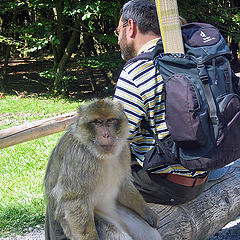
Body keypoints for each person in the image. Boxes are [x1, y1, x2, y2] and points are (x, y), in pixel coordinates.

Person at [113, 0, 209, 205]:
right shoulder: (193, 58)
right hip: (203, 173)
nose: (118, 39)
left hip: (166, 185)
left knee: (64, 182)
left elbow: (112, 142)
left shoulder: (135, 71)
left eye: (118, 31)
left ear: (131, 27)